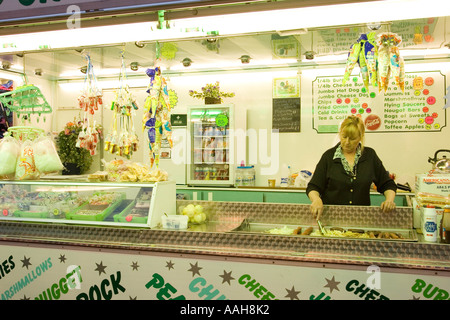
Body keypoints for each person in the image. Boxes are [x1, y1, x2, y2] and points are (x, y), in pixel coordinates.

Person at [306, 115, 397, 220]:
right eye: (344, 137)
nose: (347, 142)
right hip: (331, 219)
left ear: (360, 137)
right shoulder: (328, 157)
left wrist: (389, 200)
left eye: (352, 138)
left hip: (361, 220)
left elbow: (387, 184)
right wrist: (316, 199)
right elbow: (313, 187)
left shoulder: (370, 156)